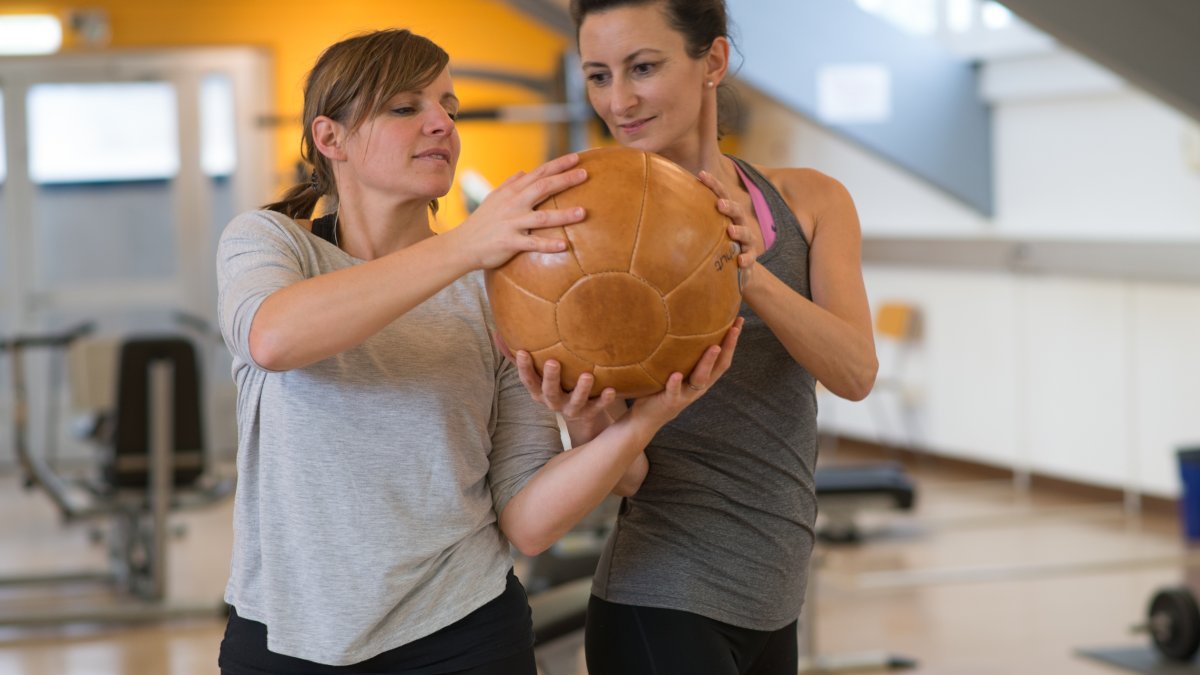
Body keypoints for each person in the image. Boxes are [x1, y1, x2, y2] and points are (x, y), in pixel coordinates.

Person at [214, 28, 741, 675]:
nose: (441, 123)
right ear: (331, 138)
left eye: (450, 108)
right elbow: (274, 338)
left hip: (461, 633)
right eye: (407, 107)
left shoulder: (498, 290)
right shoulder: (272, 245)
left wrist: (641, 422)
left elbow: (528, 522)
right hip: (287, 639)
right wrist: (470, 242)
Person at [510, 2, 880, 673]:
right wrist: (587, 422)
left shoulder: (810, 201)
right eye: (598, 76)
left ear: (711, 61)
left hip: (773, 595)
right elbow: (630, 475)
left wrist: (751, 274)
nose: (617, 100)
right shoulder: (581, 228)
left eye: (642, 67)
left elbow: (854, 372)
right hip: (663, 596)